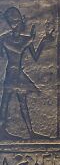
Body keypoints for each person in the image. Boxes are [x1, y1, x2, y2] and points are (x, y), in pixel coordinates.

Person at [0, 8, 53, 139]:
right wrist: (30, 40)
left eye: (17, 22)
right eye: (13, 22)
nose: (16, 25)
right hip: (11, 75)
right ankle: (2, 130)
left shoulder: (26, 39)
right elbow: (16, 50)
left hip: (19, 75)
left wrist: (44, 40)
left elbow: (35, 57)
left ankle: (31, 133)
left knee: (23, 104)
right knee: (5, 103)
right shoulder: (4, 38)